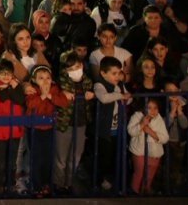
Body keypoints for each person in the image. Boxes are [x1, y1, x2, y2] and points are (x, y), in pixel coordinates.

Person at [24, 64, 68, 197]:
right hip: (35, 129)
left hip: (49, 129)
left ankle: (46, 184)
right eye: (41, 78)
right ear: (34, 80)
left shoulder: (55, 90)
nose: (45, 81)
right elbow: (30, 104)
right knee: (36, 158)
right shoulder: (32, 91)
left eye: (48, 78)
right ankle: (36, 185)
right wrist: (42, 96)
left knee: (48, 157)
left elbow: (64, 102)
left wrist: (50, 96)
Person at [53, 50, 93, 196]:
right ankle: (58, 184)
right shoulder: (60, 83)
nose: (75, 71)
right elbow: (53, 95)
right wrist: (62, 94)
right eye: (70, 68)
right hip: (64, 124)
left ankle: (69, 183)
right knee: (61, 157)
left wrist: (92, 95)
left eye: (77, 67)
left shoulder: (88, 82)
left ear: (81, 65)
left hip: (81, 123)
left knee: (75, 157)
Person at [92, 56, 132, 193]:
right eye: (114, 73)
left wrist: (125, 96)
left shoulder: (119, 85)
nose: (117, 76)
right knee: (103, 158)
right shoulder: (99, 85)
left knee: (118, 156)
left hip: (118, 128)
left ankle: (117, 182)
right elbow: (104, 98)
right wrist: (120, 96)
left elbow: (128, 98)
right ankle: (98, 182)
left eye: (119, 73)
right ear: (103, 73)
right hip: (104, 130)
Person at [0, 58, 25, 196]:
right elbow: (2, 97)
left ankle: (10, 184)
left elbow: (20, 99)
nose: (6, 76)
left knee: (12, 160)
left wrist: (10, 87)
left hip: (14, 129)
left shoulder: (16, 86)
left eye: (9, 73)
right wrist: (10, 87)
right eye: (2, 73)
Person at [127, 98, 170, 194]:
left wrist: (151, 132)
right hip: (139, 151)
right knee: (139, 173)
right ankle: (134, 192)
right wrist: (141, 124)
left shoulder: (159, 119)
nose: (153, 111)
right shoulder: (137, 116)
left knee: (149, 175)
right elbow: (131, 131)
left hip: (155, 152)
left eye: (155, 108)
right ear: (143, 107)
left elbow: (165, 138)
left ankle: (145, 191)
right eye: (149, 108)